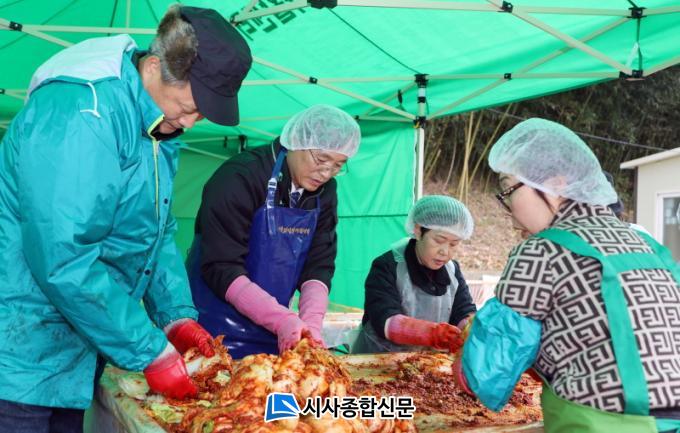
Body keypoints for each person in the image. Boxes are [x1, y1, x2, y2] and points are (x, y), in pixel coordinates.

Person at [0, 5, 252, 432]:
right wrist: (149, 350)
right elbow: (63, 256)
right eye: (188, 107)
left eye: (201, 115)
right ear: (153, 67)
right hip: (20, 349)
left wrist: (174, 314)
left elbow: (156, 231)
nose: (191, 123)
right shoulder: (82, 114)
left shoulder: (159, 126)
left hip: (73, 346)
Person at [453, 118, 680, 433]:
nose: (508, 209)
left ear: (557, 185)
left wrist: (463, 359)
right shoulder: (649, 245)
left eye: (508, 190)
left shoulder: (542, 250)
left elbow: (484, 375)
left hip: (602, 423)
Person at [187, 104, 361, 359]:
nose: (326, 173)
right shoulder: (240, 177)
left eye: (338, 165)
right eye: (321, 159)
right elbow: (221, 266)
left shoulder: (325, 192)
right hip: (214, 330)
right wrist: (281, 320)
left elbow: (319, 264)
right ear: (295, 142)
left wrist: (311, 325)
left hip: (272, 332)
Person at [352, 195, 476, 354]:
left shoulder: (452, 270)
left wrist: (470, 327)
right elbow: (385, 319)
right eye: (439, 240)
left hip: (428, 362)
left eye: (453, 244)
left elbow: (463, 310)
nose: (445, 252)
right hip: (379, 360)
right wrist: (433, 333)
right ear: (418, 231)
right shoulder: (387, 266)